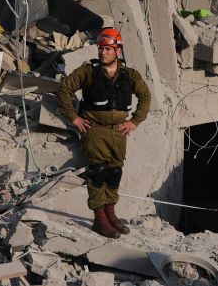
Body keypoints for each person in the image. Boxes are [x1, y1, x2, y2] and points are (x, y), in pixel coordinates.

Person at [56, 28, 151, 238]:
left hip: (118, 131)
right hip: (95, 129)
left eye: (108, 49)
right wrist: (74, 118)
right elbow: (64, 90)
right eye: (101, 49)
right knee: (98, 172)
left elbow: (145, 96)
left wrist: (135, 121)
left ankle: (111, 213)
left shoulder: (129, 74)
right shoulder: (88, 71)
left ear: (117, 50)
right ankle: (99, 219)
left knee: (114, 172)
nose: (103, 53)